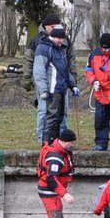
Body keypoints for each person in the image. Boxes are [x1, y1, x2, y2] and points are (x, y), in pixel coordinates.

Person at [26, 127, 78, 218]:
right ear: (65, 142)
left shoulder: (59, 150)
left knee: (53, 217)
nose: (73, 145)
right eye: (72, 142)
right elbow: (51, 179)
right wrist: (65, 194)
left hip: (50, 191)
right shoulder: (55, 157)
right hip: (50, 192)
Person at [26, 12, 73, 143]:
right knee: (44, 111)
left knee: (62, 113)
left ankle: (61, 139)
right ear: (46, 27)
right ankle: (43, 140)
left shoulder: (64, 41)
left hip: (61, 85)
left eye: (56, 26)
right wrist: (29, 79)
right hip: (46, 85)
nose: (54, 28)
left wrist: (71, 81)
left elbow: (68, 61)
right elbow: (32, 63)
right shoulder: (37, 41)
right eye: (52, 26)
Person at [35, 26, 80, 144]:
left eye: (62, 38)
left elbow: (64, 70)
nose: (60, 40)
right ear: (51, 37)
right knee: (51, 117)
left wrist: (73, 85)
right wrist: (43, 90)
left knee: (59, 118)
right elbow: (39, 71)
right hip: (51, 90)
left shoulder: (61, 50)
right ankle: (45, 144)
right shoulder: (43, 49)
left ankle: (55, 143)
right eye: (57, 38)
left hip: (62, 89)